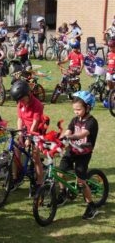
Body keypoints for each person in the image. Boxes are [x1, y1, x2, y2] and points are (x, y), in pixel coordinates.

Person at [56, 91, 99, 219]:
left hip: (83, 153)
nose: (76, 112)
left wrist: (71, 136)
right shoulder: (75, 120)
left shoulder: (92, 122)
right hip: (72, 150)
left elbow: (83, 134)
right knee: (60, 171)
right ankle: (63, 193)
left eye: (78, 109)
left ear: (88, 107)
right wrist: (62, 136)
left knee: (81, 181)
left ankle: (91, 206)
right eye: (74, 109)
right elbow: (68, 130)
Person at [9, 80, 44, 190]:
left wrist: (30, 137)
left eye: (23, 99)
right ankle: (16, 177)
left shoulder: (37, 105)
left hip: (36, 131)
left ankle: (39, 183)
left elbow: (35, 122)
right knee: (15, 151)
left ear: (28, 94)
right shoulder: (20, 103)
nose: (21, 102)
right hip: (25, 130)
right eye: (19, 100)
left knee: (35, 157)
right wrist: (20, 134)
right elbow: (20, 118)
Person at [104, 39, 115, 107]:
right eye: (109, 47)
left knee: (114, 83)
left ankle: (113, 96)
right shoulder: (109, 54)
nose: (110, 48)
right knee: (108, 83)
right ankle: (110, 96)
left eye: (112, 47)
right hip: (109, 71)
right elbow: (108, 62)